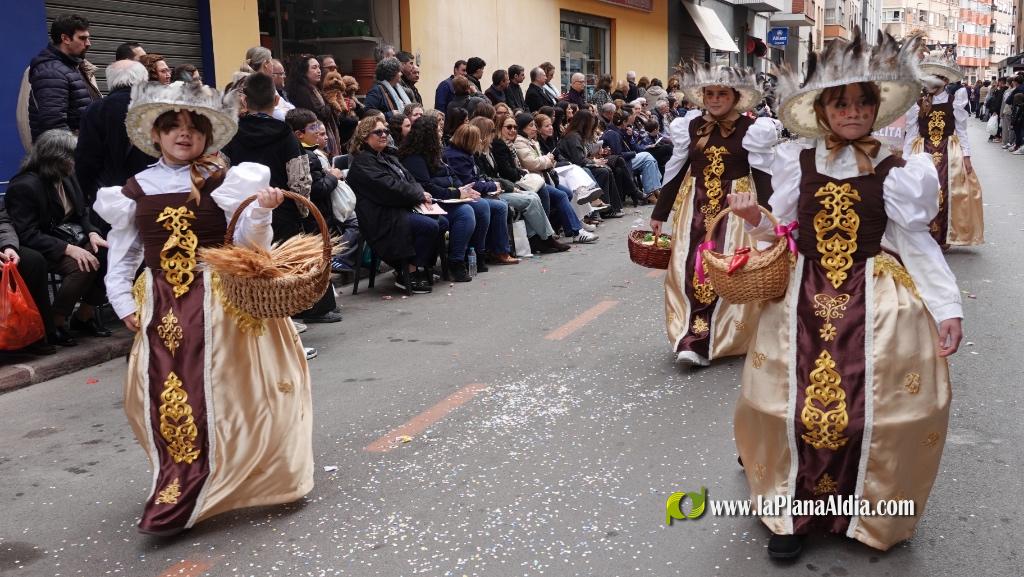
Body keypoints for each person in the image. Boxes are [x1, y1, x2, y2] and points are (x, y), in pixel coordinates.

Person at [730, 30, 963, 560]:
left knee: (870, 412)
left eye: (863, 102)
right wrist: (755, 221)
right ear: (823, 109)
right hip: (801, 296)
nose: (853, 112)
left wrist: (946, 306)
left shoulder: (897, 167)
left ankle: (867, 510)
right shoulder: (799, 162)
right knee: (785, 405)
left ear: (877, 108)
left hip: (873, 299)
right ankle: (790, 512)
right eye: (841, 102)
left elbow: (915, 240)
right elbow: (778, 235)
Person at [93, 79, 313, 536]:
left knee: (232, 397)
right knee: (165, 397)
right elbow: (126, 250)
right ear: (154, 135)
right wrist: (118, 299)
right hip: (163, 308)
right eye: (171, 126)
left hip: (221, 307)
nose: (183, 134)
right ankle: (180, 479)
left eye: (194, 127)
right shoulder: (136, 188)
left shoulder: (227, 179)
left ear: (208, 136)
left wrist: (261, 212)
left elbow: (250, 245)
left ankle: (229, 478)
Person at [649, 61, 779, 367]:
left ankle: (718, 337)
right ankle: (690, 336)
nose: (715, 99)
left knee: (729, 269)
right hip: (694, 207)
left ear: (735, 96)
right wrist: (660, 211)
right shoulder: (689, 126)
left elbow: (763, 175)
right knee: (687, 269)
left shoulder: (753, 130)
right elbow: (676, 169)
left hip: (735, 212)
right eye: (710, 93)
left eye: (722, 93)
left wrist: (771, 220)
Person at [6, 128, 109, 347]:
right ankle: (57, 320)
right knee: (82, 265)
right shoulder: (25, 186)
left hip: (72, 235)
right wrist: (68, 249)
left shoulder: (68, 176)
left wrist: (91, 232)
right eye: (73, 156)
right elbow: (27, 234)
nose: (77, 161)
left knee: (109, 250)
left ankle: (84, 315)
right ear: (57, 159)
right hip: (44, 245)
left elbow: (83, 212)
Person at [348, 116, 441, 293]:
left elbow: (409, 178)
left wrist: (420, 194)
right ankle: (407, 271)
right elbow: (389, 189)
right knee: (429, 226)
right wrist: (418, 194)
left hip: (398, 208)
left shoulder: (387, 156)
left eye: (386, 131)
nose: (384, 135)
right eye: (378, 132)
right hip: (380, 216)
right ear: (365, 136)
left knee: (441, 222)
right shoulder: (362, 163)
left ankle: (420, 266)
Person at [903, 52, 984, 248]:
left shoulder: (954, 101)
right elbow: (912, 132)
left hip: (949, 152)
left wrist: (966, 156)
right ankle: (923, 236)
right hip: (923, 151)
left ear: (945, 81)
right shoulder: (918, 104)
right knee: (922, 193)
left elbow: (962, 132)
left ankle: (944, 237)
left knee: (949, 193)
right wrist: (905, 158)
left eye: (935, 78)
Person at [75, 60, 156, 207]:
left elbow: (86, 159)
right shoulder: (157, 107)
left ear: (110, 80)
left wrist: (87, 193)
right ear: (144, 79)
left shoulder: (95, 110)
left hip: (111, 197)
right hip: (152, 192)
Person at [444, 124, 516, 266]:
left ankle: (494, 249)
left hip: (473, 192)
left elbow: (477, 178)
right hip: (462, 195)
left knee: (499, 206)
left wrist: (490, 185)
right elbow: (469, 182)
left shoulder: (465, 154)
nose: (481, 142)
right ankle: (488, 251)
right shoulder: (457, 157)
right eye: (477, 139)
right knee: (497, 207)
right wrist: (492, 186)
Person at [28, 14, 100, 141]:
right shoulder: (51, 71)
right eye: (82, 38)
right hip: (67, 156)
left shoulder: (71, 66)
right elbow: (54, 126)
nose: (88, 43)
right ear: (65, 38)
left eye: (88, 38)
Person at [558, 110, 625, 218]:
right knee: (604, 171)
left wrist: (595, 157)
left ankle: (612, 207)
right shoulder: (574, 137)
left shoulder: (576, 136)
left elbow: (581, 156)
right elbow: (579, 159)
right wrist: (594, 161)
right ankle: (606, 209)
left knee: (607, 169)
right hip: (574, 167)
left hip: (577, 165)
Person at [601, 110, 662, 203]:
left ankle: (653, 192)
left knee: (649, 162)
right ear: (624, 122)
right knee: (647, 156)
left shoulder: (619, 131)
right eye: (627, 123)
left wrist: (629, 137)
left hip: (627, 159)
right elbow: (619, 154)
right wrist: (633, 153)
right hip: (623, 162)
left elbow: (630, 147)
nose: (628, 125)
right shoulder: (613, 133)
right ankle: (654, 190)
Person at [286, 55, 341, 157]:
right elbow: (318, 114)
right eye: (314, 68)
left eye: (319, 67)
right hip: (312, 137)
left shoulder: (316, 89)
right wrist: (331, 100)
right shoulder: (301, 91)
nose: (319, 71)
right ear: (304, 71)